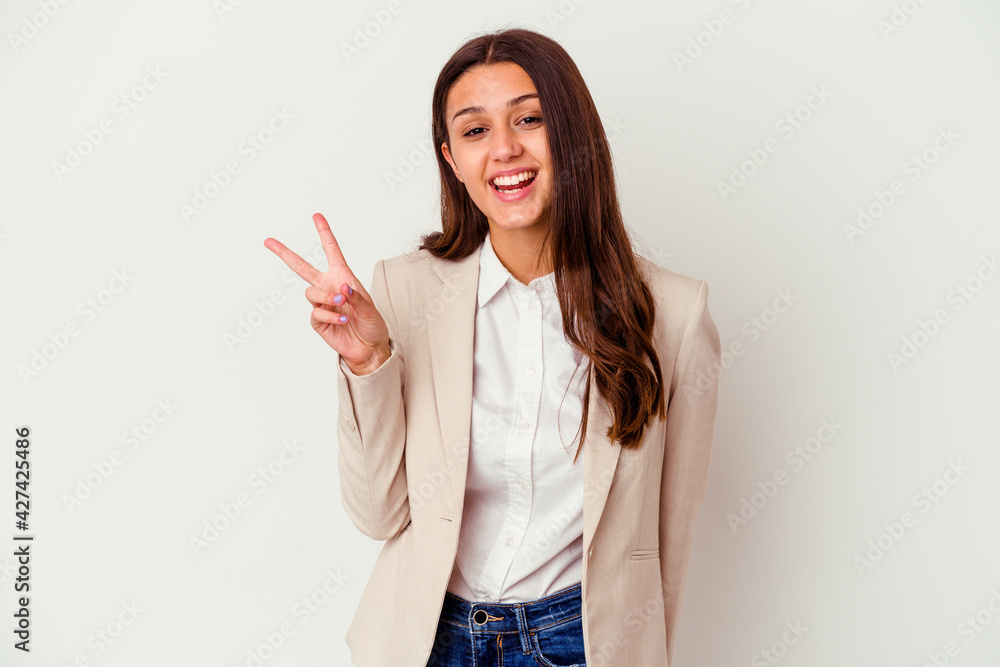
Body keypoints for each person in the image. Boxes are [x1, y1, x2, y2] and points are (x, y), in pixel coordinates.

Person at [264, 27, 721, 667]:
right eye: (475, 131)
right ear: (451, 160)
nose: (504, 149)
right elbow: (379, 514)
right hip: (430, 640)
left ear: (574, 136)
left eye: (529, 119)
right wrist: (367, 363)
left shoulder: (673, 313)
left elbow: (669, 538)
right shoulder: (402, 291)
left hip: (581, 642)